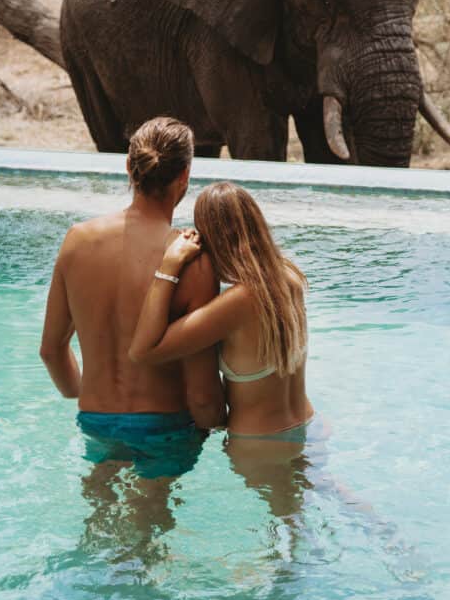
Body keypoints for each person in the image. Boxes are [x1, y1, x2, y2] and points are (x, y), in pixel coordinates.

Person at [39, 116, 226, 487]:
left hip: (95, 419)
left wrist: (88, 393)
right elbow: (202, 392)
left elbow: (51, 350)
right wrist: (223, 427)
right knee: (149, 533)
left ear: (128, 166)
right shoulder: (193, 259)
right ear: (185, 176)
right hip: (165, 425)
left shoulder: (77, 240)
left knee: (97, 527)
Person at [129, 181, 313, 441]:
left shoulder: (240, 302)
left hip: (259, 442)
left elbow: (143, 351)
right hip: (306, 423)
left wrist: (169, 267)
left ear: (213, 239)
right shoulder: (289, 276)